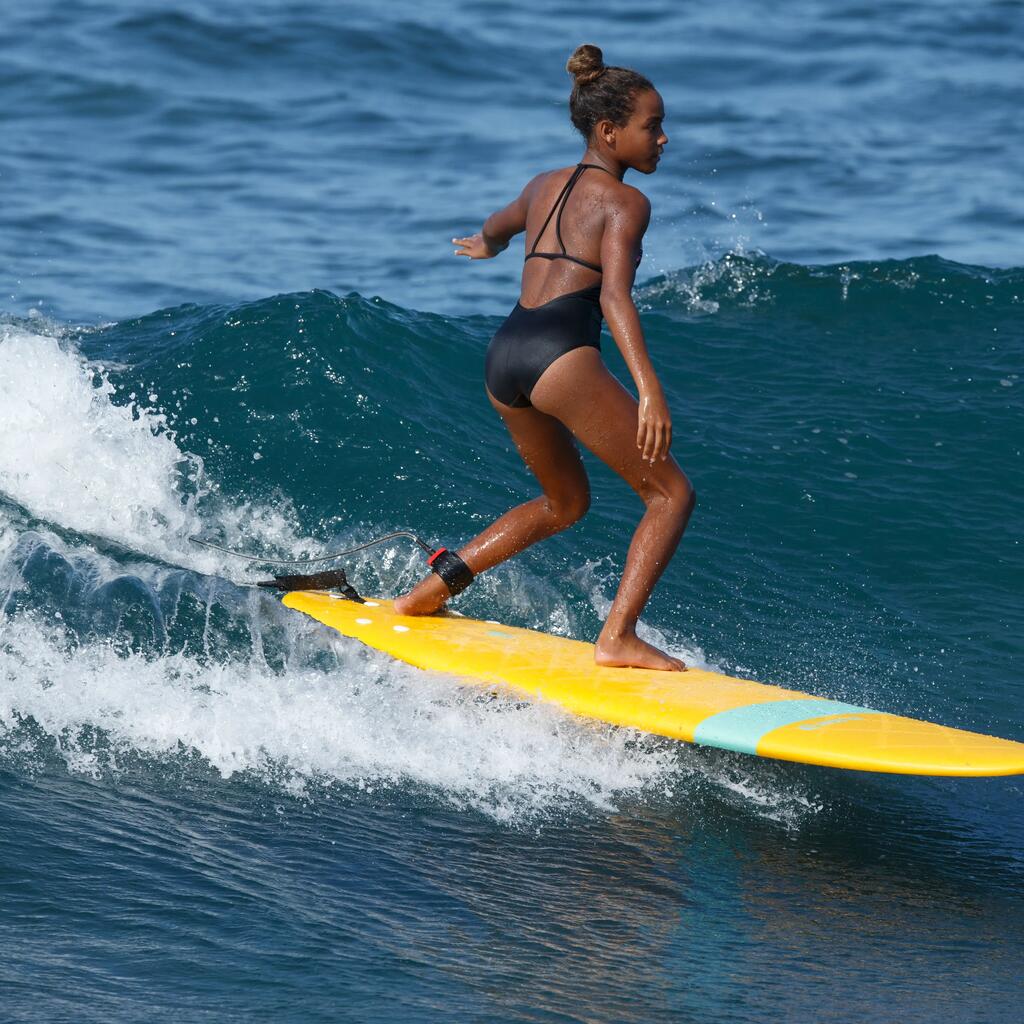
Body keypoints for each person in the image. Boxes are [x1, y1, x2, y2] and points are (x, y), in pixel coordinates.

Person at [394, 44, 696, 671]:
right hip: (561, 352)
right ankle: (617, 638)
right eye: (653, 125)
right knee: (670, 495)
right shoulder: (627, 203)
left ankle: (427, 593)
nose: (663, 139)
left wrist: (487, 244)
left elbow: (498, 225)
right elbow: (613, 297)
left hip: (506, 353)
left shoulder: (541, 185)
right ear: (608, 131)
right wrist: (649, 389)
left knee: (565, 503)